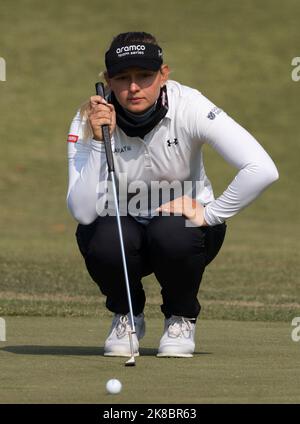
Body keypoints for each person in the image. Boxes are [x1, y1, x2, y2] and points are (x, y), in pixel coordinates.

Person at [66, 31, 279, 358]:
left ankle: (180, 317)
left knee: (172, 232)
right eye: (122, 78)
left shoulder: (190, 106)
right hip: (124, 235)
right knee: (106, 236)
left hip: (184, 236)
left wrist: (211, 214)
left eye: (145, 76)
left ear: (163, 75)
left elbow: (262, 168)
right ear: (108, 80)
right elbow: (82, 213)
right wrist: (98, 141)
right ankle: (127, 316)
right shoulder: (88, 121)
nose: (133, 87)